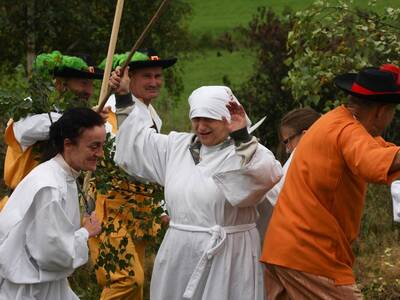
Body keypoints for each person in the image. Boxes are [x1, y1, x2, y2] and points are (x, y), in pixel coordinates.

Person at [114, 85, 283, 300]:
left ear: (227, 119)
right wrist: (122, 97)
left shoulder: (248, 152)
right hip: (179, 253)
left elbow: (265, 175)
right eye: (196, 118)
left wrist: (241, 135)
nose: (201, 126)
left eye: (209, 119)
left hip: (229, 256)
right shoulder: (177, 146)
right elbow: (135, 143)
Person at [261, 65, 400, 299]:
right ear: (381, 111)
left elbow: (384, 152)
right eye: (393, 112)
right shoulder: (348, 130)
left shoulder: (334, 122)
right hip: (311, 254)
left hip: (284, 250)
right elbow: (373, 162)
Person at [89, 49, 176, 300]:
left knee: (135, 287)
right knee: (126, 280)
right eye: (146, 76)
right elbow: (128, 161)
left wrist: (160, 206)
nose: (154, 82)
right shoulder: (111, 112)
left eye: (158, 76)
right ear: (128, 78)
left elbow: (151, 167)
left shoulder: (150, 114)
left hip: (139, 211)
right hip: (111, 209)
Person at [0, 107, 105, 300]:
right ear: (68, 144)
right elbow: (52, 254)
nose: (100, 154)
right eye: (94, 146)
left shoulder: (62, 176)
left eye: (102, 146)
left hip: (46, 285)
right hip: (29, 290)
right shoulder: (49, 186)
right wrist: (85, 233)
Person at [2, 50, 104, 200]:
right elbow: (32, 130)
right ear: (60, 84)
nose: (89, 91)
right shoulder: (29, 109)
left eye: (91, 84)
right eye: (83, 83)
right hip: (24, 204)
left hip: (62, 200)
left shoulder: (73, 115)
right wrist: (86, 120)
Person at [257, 107, 321, 239]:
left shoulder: (302, 159)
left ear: (305, 135)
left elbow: (279, 198)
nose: (287, 150)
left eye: (287, 141)